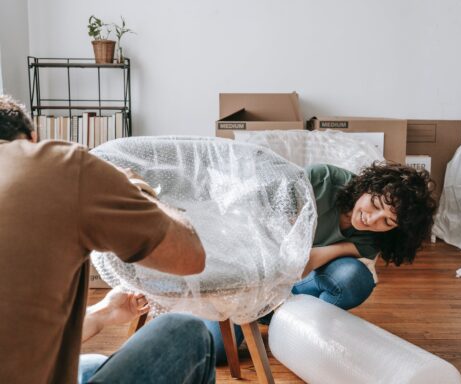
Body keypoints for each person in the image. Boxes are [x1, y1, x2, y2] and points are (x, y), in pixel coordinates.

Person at [0, 95, 215, 384]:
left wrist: (103, 313)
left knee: (92, 364)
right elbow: (190, 256)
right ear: (32, 138)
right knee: (186, 331)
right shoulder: (59, 164)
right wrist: (135, 187)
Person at [204, 161, 437, 364]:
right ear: (369, 187)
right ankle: (254, 312)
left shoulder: (377, 237)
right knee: (216, 352)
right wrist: (258, 287)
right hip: (256, 272)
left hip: (298, 285)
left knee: (354, 278)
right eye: (375, 206)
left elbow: (312, 259)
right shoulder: (322, 179)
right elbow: (266, 233)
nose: (372, 220)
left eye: (387, 221)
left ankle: (291, 327)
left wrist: (305, 260)